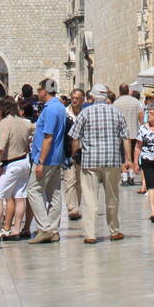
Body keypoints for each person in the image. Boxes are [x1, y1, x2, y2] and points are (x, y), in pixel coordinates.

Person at [68, 83, 131, 244]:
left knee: (90, 199)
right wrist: (128, 159)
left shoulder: (85, 113)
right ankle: (114, 231)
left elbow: (75, 137)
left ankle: (90, 234)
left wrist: (76, 157)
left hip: (90, 161)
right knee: (112, 197)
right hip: (112, 160)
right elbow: (125, 137)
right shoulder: (116, 112)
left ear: (92, 97)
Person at [26, 80, 68, 244]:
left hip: (47, 158)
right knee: (54, 192)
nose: (38, 92)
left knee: (33, 189)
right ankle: (54, 230)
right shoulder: (60, 107)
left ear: (45, 91)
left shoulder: (50, 109)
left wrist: (41, 161)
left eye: (39, 89)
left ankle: (44, 228)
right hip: (57, 157)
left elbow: (48, 137)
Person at [0, 98, 33, 241]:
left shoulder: (5, 123)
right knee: (20, 196)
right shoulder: (23, 122)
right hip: (24, 161)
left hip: (11, 163)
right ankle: (16, 230)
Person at [63, 88, 86, 217]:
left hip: (84, 152)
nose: (74, 100)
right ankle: (72, 208)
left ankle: (77, 205)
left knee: (80, 181)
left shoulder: (86, 113)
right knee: (69, 180)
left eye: (77, 98)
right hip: (68, 153)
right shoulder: (65, 113)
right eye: (73, 98)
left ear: (83, 100)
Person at [115, 85, 143, 186]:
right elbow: (141, 116)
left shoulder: (116, 103)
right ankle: (131, 176)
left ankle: (125, 178)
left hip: (121, 133)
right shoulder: (135, 102)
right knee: (130, 155)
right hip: (133, 132)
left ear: (120, 91)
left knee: (122, 156)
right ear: (128, 91)